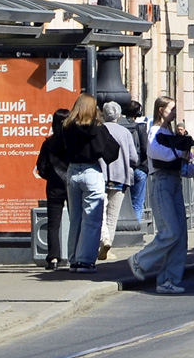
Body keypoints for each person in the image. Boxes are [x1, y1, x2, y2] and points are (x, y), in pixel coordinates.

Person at [128, 96, 194, 295]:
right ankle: (139, 260)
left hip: (173, 181)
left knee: (180, 236)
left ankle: (168, 280)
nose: (174, 113)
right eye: (171, 109)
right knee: (170, 231)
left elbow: (179, 166)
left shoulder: (168, 133)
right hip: (161, 183)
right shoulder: (154, 131)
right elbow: (158, 154)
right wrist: (180, 154)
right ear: (160, 110)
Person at [53, 93, 120, 274]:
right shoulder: (98, 129)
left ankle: (74, 259)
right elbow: (112, 152)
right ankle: (85, 261)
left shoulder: (66, 127)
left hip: (73, 172)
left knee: (75, 218)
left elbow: (57, 148)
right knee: (92, 219)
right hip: (91, 171)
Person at [98, 101, 139, 261]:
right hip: (120, 177)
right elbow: (133, 158)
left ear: (103, 114)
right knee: (112, 215)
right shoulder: (125, 132)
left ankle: (103, 239)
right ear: (119, 115)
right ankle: (108, 247)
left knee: (99, 213)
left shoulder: (99, 130)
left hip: (100, 176)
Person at [35, 108, 70, 270]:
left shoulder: (48, 143)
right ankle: (74, 255)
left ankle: (53, 258)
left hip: (54, 185)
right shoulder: (72, 142)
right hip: (71, 184)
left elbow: (40, 168)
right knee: (75, 220)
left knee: (53, 223)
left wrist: (51, 176)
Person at [123, 100, 150, 223]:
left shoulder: (120, 126)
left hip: (123, 169)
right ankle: (136, 227)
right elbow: (145, 148)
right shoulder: (140, 127)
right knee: (137, 203)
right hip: (139, 169)